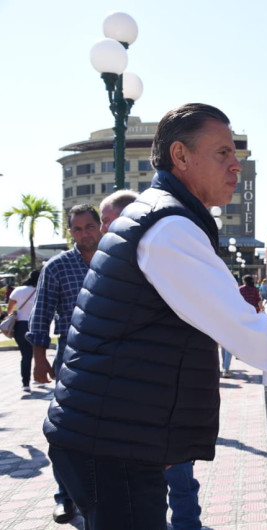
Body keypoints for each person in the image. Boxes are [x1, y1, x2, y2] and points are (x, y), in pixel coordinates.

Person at [37, 103, 267, 529]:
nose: (236, 166)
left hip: (112, 436)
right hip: (109, 441)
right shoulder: (168, 228)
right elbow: (255, 337)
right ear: (180, 156)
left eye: (235, 154)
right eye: (222, 153)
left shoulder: (162, 216)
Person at [98, 188, 203, 530]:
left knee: (178, 484)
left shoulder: (163, 265)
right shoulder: (111, 271)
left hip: (161, 412)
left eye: (109, 222)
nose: (103, 231)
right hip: (119, 419)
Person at [27, 203, 102, 525]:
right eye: (77, 228)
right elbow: (41, 313)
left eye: (89, 227)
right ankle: (65, 497)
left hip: (114, 360)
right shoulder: (57, 267)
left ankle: (102, 494)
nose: (84, 234)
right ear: (69, 231)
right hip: (71, 360)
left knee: (108, 431)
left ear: (100, 226)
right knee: (66, 432)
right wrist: (39, 359)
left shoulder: (117, 263)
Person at [221, 275, 262, 377]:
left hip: (238, 316)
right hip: (251, 316)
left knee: (226, 342)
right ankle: (240, 353)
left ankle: (226, 367)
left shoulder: (239, 290)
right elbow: (259, 301)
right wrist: (260, 310)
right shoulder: (254, 289)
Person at [7, 270, 39, 392]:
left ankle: (26, 383)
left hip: (21, 325)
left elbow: (10, 308)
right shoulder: (42, 290)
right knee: (38, 351)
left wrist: (12, 314)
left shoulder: (18, 290)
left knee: (25, 355)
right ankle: (38, 377)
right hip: (37, 324)